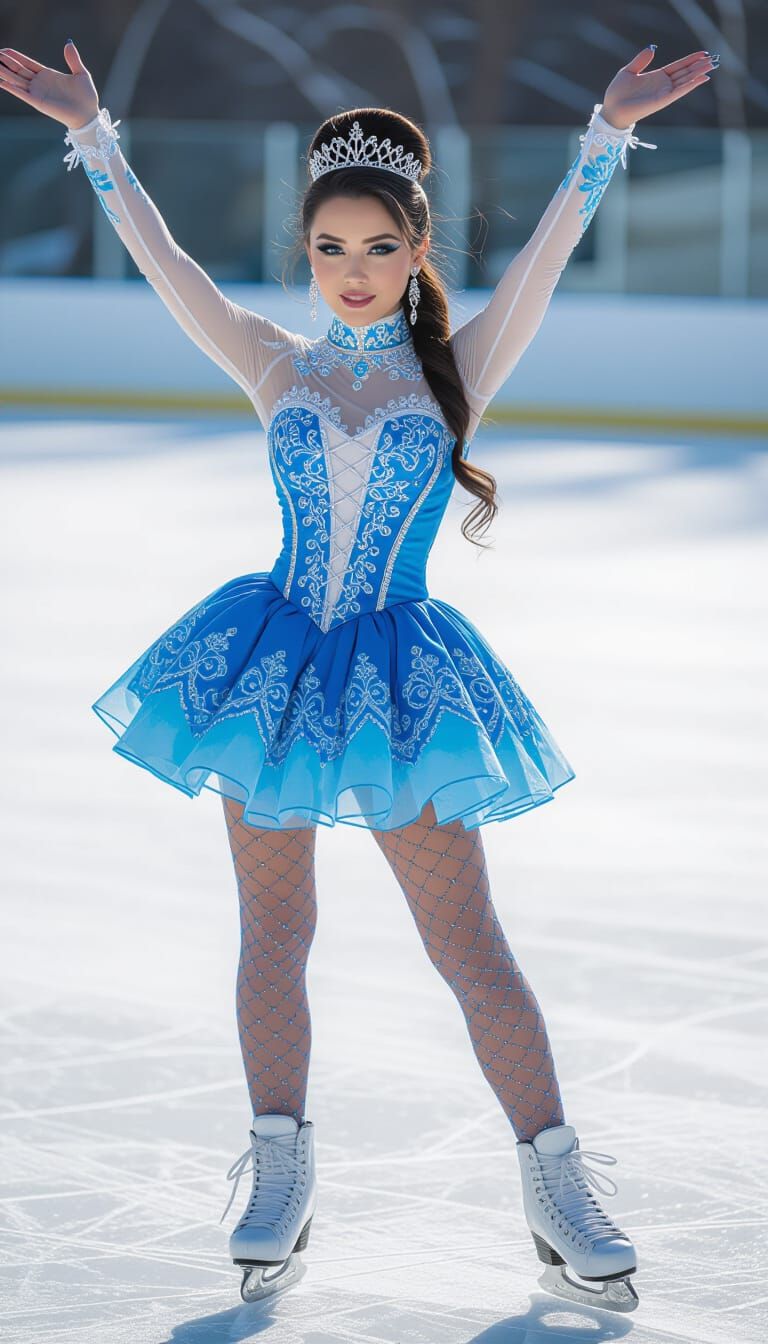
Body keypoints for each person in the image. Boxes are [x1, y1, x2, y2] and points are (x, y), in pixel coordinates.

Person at [0, 35, 716, 1310]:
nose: (353, 273)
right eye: (330, 249)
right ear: (306, 251)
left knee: (471, 947)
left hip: (404, 687)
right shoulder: (269, 360)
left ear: (417, 248)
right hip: (267, 674)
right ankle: (281, 1167)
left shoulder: (458, 370)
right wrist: (96, 136)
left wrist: (604, 135)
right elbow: (163, 265)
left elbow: (548, 257)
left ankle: (556, 1180)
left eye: (379, 248)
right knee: (274, 932)